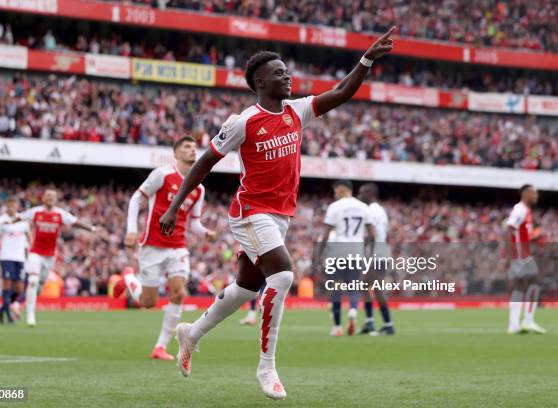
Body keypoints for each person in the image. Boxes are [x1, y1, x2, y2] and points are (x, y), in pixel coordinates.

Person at [159, 27, 396, 400]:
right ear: (260, 81)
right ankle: (266, 366)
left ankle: (193, 333)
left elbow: (341, 92)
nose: (288, 77)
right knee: (283, 276)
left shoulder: (295, 111)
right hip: (251, 211)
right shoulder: (243, 122)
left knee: (244, 288)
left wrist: (366, 59)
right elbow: (205, 162)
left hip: (280, 215)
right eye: (280, 72)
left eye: (287, 71)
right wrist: (174, 206)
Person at [114, 137, 215, 360]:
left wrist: (204, 231)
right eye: (187, 147)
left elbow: (194, 222)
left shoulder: (198, 188)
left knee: (179, 292)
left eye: (194, 147)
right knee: (148, 302)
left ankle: (160, 346)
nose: (192, 150)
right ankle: (129, 277)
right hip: (152, 245)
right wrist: (131, 229)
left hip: (178, 246)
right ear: (176, 153)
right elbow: (135, 199)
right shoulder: (163, 174)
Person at [16, 188, 99, 326]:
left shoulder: (60, 214)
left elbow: (75, 222)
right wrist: (7, 221)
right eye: (47, 195)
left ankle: (24, 301)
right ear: (43, 198)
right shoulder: (36, 212)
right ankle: (30, 314)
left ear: (56, 199)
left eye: (52, 196)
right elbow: (20, 216)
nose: (50, 198)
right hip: (35, 252)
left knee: (39, 284)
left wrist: (91, 229)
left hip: (49, 256)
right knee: (32, 280)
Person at [315, 180, 373, 336]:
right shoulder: (363, 207)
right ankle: (353, 310)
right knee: (354, 286)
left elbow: (326, 233)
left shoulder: (335, 207)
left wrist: (320, 253)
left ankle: (337, 327)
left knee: (336, 289)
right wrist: (370, 252)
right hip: (356, 251)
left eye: (335, 191)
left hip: (338, 251)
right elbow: (372, 234)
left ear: (342, 189)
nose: (335, 195)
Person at [504, 184, 545, 334]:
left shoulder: (525, 211)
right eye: (534, 193)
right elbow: (509, 230)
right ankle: (528, 320)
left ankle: (514, 325)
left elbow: (520, 234)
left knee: (519, 287)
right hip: (520, 256)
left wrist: (534, 238)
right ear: (526, 193)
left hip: (521, 255)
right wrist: (509, 257)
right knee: (534, 283)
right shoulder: (519, 209)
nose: (536, 196)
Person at [358, 183, 394, 335]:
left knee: (376, 287)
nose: (359, 196)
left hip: (376, 253)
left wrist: (369, 256)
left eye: (361, 193)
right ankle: (370, 322)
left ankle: (388, 324)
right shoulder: (379, 210)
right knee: (364, 285)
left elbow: (372, 235)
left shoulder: (371, 210)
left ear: (370, 193)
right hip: (380, 250)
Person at [0, 197, 30, 324]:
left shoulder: (23, 221)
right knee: (7, 285)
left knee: (19, 288)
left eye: (13, 206)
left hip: (20, 258)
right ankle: (8, 315)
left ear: (17, 206)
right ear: (6, 207)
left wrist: (30, 254)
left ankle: (2, 308)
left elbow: (29, 238)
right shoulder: (1, 221)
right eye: (9, 206)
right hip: (6, 256)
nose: (11, 208)